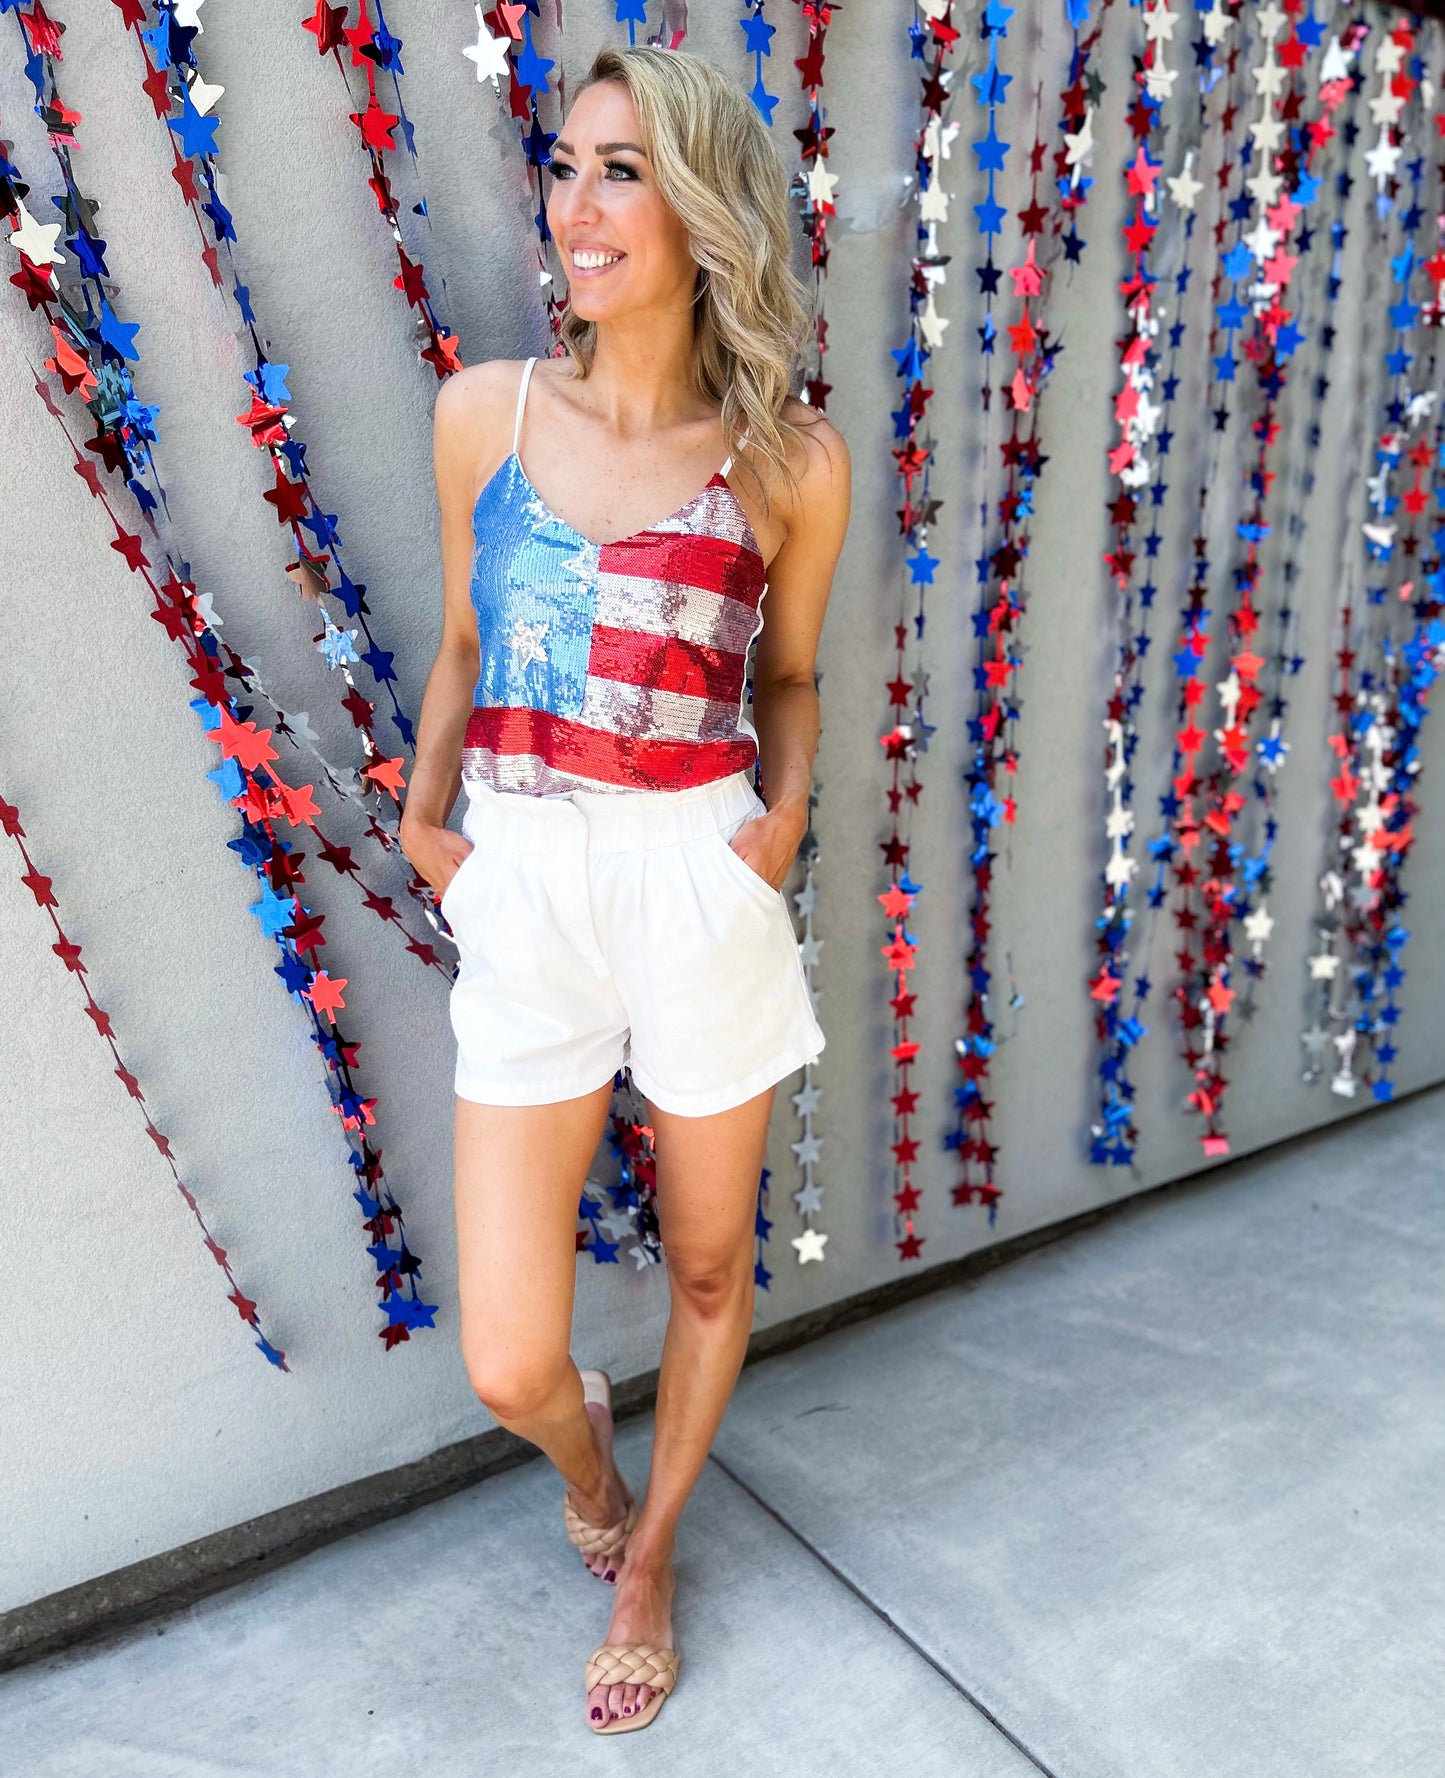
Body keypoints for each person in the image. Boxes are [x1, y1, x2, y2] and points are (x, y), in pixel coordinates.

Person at [401, 43, 850, 1735]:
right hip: (523, 877)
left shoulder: (787, 461)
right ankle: (587, 1454)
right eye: (569, 166)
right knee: (510, 1358)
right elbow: (457, 642)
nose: (579, 208)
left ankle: (651, 1545)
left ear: (702, 208)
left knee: (714, 1266)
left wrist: (783, 814)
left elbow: (787, 679)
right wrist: (433, 821)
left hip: (695, 871)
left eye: (622, 172)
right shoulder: (483, 414)